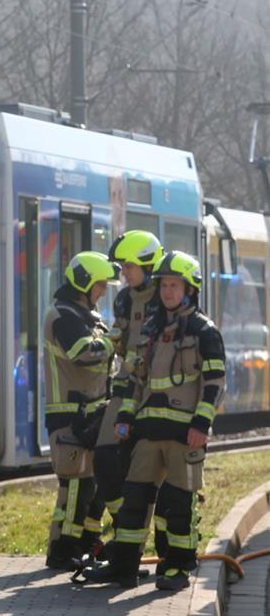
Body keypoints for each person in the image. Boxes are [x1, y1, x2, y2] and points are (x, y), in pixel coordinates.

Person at [83, 251, 225, 590]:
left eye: (175, 286)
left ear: (190, 289)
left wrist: (201, 426)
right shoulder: (151, 328)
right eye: (164, 285)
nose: (168, 292)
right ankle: (123, 568)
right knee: (133, 503)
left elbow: (215, 383)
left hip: (184, 435)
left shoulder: (205, 331)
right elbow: (136, 379)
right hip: (147, 433)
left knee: (177, 506)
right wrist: (126, 418)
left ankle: (178, 567)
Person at [89, 230, 163, 560]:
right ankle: (122, 529)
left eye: (129, 266)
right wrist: (112, 340)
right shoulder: (123, 298)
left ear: (148, 265)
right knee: (105, 457)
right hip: (125, 384)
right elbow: (121, 334)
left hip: (154, 390)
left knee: (143, 473)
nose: (123, 273)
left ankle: (141, 546)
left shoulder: (166, 296)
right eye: (122, 266)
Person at [42, 251, 119, 569]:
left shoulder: (88, 315)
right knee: (75, 487)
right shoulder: (63, 316)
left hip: (92, 414)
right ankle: (62, 549)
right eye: (100, 284)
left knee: (94, 485)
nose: (103, 290)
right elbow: (82, 352)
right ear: (84, 283)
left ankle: (86, 542)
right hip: (69, 417)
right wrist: (115, 342)